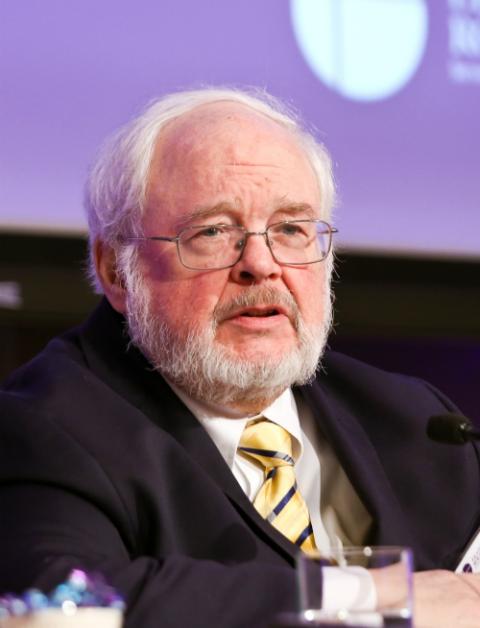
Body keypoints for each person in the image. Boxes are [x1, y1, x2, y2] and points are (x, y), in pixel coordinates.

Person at [0, 87, 479, 627]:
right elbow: (61, 606)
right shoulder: (42, 428)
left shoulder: (420, 421)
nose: (261, 263)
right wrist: (375, 596)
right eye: (213, 232)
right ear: (116, 269)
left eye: (292, 229)